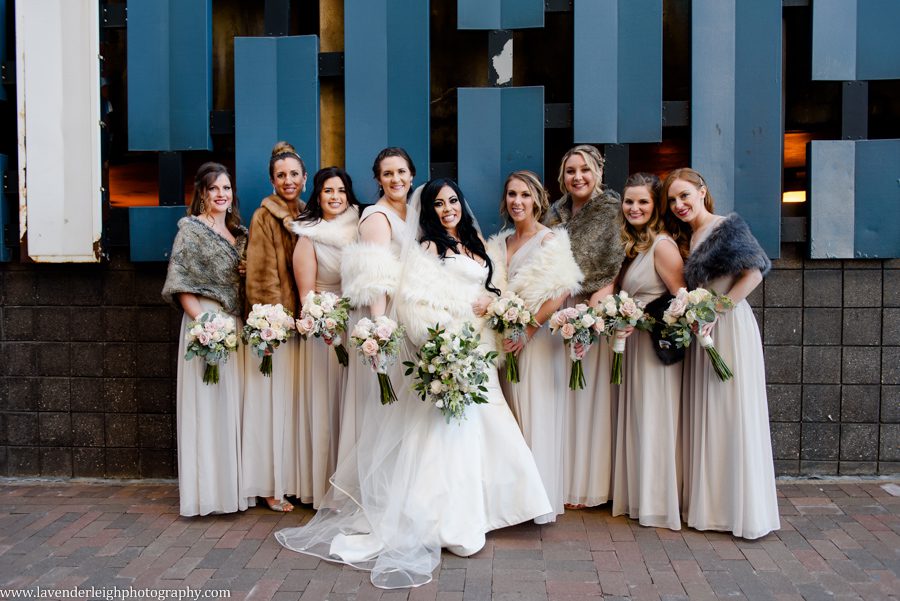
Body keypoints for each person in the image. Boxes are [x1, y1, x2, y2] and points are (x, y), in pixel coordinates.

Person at [275, 179, 551, 589]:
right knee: (447, 433)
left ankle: (490, 509)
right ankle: (446, 520)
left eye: (453, 200)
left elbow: (492, 291)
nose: (447, 209)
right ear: (429, 212)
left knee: (484, 428)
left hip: (480, 352)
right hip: (451, 350)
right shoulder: (426, 250)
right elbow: (414, 305)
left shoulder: (478, 246)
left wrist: (493, 304)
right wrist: (449, 338)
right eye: (439, 204)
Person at [663, 167, 780, 539]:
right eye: (672, 200)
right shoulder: (690, 235)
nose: (679, 204)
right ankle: (712, 505)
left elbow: (756, 272)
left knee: (732, 410)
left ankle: (739, 508)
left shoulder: (726, 226)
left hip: (728, 325)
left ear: (702, 191)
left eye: (685, 195)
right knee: (711, 412)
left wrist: (719, 309)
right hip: (705, 326)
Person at [486, 170, 582, 523]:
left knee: (535, 411)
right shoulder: (499, 243)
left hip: (536, 341)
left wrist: (528, 329)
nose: (517, 202)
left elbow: (559, 291)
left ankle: (538, 502)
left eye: (525, 195)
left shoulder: (550, 240)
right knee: (509, 416)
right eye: (511, 195)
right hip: (504, 340)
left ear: (538, 200)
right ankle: (514, 500)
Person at [161, 162, 249, 517]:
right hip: (206, 323)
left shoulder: (238, 233)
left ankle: (233, 490)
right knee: (208, 407)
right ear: (201, 193)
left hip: (235, 325)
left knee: (233, 406)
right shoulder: (191, 231)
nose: (221, 195)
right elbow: (180, 283)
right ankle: (207, 494)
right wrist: (206, 325)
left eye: (226, 188)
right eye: (214, 189)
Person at [543, 145, 625, 508]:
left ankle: (586, 486)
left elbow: (611, 268)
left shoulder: (610, 211)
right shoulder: (555, 212)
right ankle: (558, 478)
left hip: (591, 308)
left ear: (598, 173)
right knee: (559, 396)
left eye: (585, 170)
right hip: (554, 308)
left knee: (587, 397)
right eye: (570, 170)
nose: (577, 177)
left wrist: (588, 323)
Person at [610, 173, 685, 530]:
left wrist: (640, 317)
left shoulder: (662, 246)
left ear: (655, 206)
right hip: (633, 344)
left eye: (642, 202)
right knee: (640, 418)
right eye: (629, 201)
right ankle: (640, 497)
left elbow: (680, 299)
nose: (634, 208)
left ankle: (656, 503)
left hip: (654, 348)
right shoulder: (635, 245)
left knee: (655, 418)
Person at [336, 147, 414, 464]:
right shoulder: (377, 217)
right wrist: (380, 328)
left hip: (407, 313)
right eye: (387, 173)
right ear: (378, 180)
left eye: (401, 172)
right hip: (384, 316)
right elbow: (375, 276)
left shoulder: (412, 211)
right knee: (384, 403)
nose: (396, 179)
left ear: (412, 175)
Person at [242, 141, 308, 512]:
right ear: (271, 180)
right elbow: (261, 277)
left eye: (294, 174)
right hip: (279, 328)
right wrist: (271, 325)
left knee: (293, 409)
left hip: (304, 326)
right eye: (281, 175)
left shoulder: (306, 214)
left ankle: (293, 479)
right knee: (273, 409)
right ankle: (270, 486)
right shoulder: (263, 217)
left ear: (304, 177)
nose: (288, 180)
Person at [289, 167, 360, 508]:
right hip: (326, 332)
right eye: (328, 191)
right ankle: (324, 489)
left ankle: (353, 484)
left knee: (354, 405)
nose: (335, 197)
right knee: (328, 404)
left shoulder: (361, 228)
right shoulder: (309, 237)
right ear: (317, 196)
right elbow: (306, 295)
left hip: (358, 325)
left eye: (341, 191)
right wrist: (323, 319)